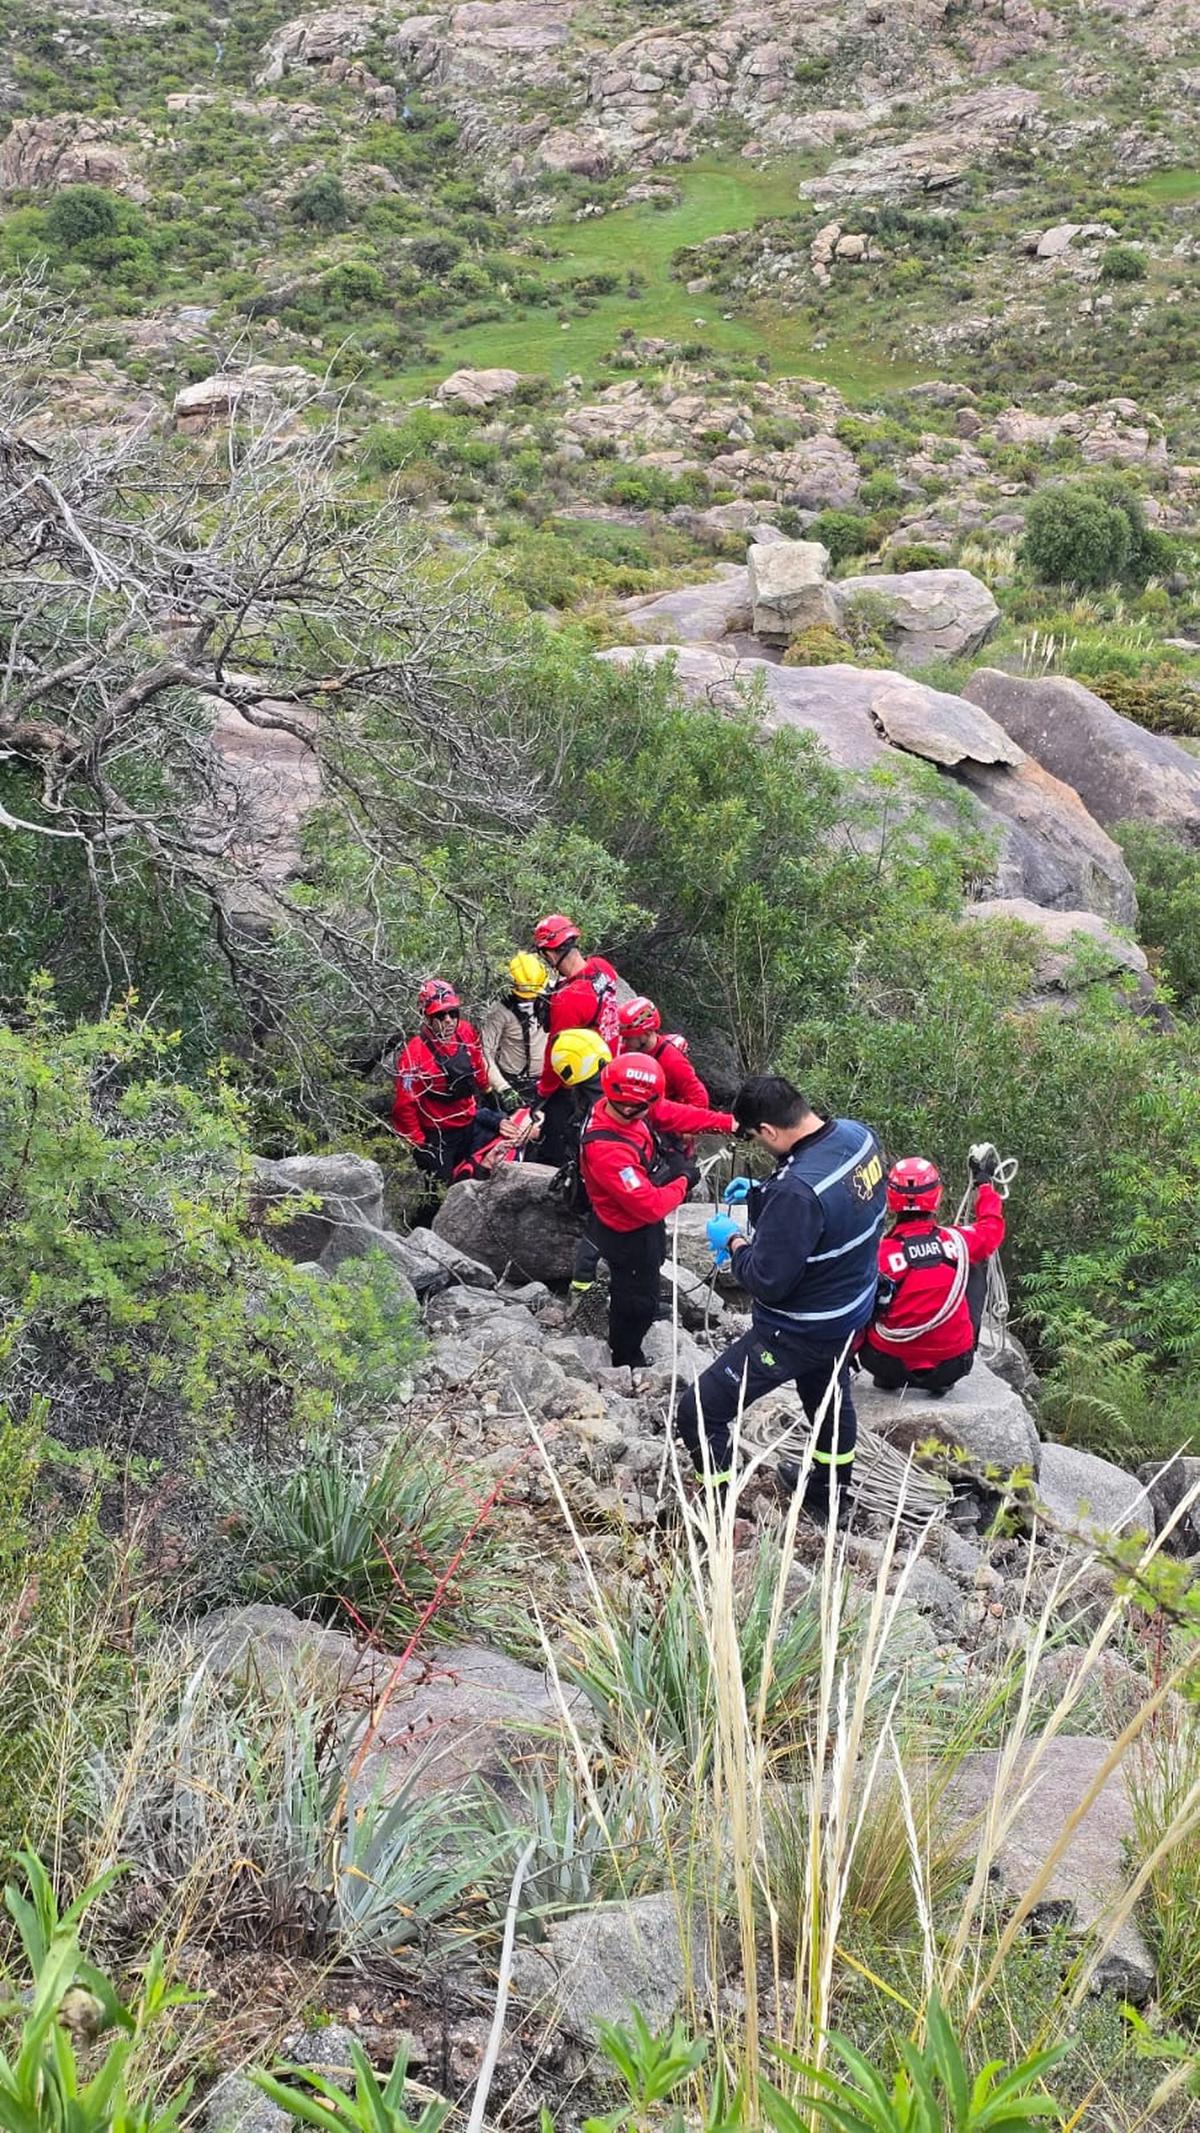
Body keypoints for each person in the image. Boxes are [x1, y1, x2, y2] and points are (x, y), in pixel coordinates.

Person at [673, 1075, 886, 1520]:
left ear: (768, 1131)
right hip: (849, 1311)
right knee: (828, 1401)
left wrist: (733, 1241)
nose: (758, 1145)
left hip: (797, 1330)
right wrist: (762, 1194)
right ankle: (830, 1497)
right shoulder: (858, 1136)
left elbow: (767, 1279)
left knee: (698, 1413)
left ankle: (719, 1512)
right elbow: (835, 1209)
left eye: (754, 1137)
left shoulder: (797, 1191)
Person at [579, 1052, 733, 1371]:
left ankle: (640, 1312)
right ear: (630, 1104)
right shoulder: (609, 1150)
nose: (651, 1109)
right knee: (634, 1298)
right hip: (626, 1229)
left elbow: (672, 1113)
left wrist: (727, 1124)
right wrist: (683, 1179)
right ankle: (626, 1357)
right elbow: (650, 1206)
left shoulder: (624, 1105)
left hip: (631, 1218)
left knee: (645, 1278)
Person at [860, 1146, 1007, 1395]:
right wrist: (984, 1184)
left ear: (890, 1198)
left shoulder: (877, 1253)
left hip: (885, 1362)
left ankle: (888, 1378)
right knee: (971, 1269)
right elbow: (991, 1228)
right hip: (952, 1364)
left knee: (865, 1292)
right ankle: (940, 1377)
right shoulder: (958, 1243)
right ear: (936, 1197)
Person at [533, 914, 622, 1165]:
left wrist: (542, 1093)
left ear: (550, 954)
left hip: (583, 1079)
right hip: (611, 1063)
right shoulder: (601, 968)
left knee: (564, 1142)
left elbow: (556, 1052)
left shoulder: (568, 999)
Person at [391, 978, 500, 1181]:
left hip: (469, 1121)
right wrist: (420, 1144)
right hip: (439, 1135)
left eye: (453, 1013)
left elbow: (477, 1063)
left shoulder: (466, 1032)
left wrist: (487, 1091)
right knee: (439, 1191)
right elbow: (404, 1105)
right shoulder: (414, 1054)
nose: (448, 1020)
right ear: (427, 1017)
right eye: (440, 1015)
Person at [616, 996, 714, 1109]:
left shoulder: (672, 1061)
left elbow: (700, 1099)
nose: (624, 1042)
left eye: (628, 1038)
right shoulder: (627, 1051)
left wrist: (672, 1119)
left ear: (647, 1033)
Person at [480, 953, 550, 1110]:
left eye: (533, 996)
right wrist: (503, 1088)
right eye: (524, 997)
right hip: (515, 1082)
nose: (529, 1000)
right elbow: (484, 1053)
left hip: (546, 1080)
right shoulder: (499, 1011)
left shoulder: (550, 995)